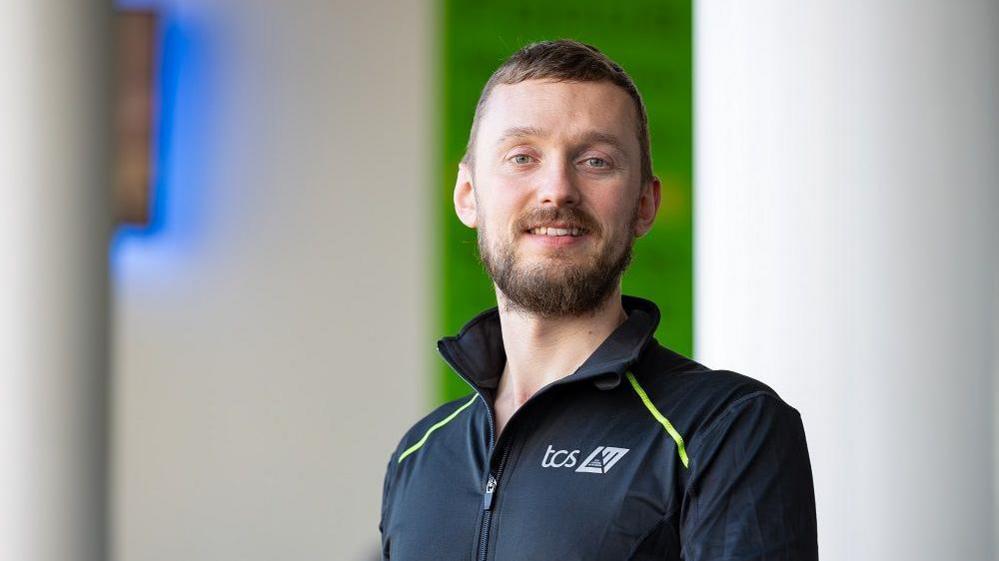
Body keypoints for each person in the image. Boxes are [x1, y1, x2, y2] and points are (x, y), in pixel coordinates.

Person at [378, 39, 818, 561]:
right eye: (522, 157)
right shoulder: (419, 454)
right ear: (467, 195)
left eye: (595, 160)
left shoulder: (727, 428)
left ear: (644, 205)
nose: (557, 189)